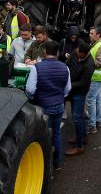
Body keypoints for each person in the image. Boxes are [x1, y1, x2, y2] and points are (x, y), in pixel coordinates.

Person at [25, 40, 70, 170]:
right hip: (59, 106)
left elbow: (30, 90)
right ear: (57, 53)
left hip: (44, 107)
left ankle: (44, 167)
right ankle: (56, 163)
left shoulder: (36, 68)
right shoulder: (65, 67)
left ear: (45, 52)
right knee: (56, 134)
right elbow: (67, 90)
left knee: (44, 137)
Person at [65, 41, 95, 156]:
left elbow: (83, 83)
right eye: (76, 52)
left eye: (79, 54)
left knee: (77, 118)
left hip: (80, 93)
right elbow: (68, 64)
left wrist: (68, 85)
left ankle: (79, 146)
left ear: (84, 54)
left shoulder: (89, 64)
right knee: (77, 114)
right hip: (72, 92)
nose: (77, 55)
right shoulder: (75, 53)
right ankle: (82, 137)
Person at [86, 27, 101, 134]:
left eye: (92, 33)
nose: (89, 35)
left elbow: (99, 63)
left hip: (96, 77)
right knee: (97, 99)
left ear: (98, 35)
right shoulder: (96, 44)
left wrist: (85, 63)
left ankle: (92, 125)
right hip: (96, 77)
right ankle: (98, 121)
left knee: (90, 100)